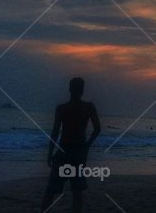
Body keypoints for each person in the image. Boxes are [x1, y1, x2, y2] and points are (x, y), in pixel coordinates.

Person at [41, 77, 102, 213]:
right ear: (82, 91)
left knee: (51, 190)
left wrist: (50, 153)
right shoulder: (88, 107)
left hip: (63, 151)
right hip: (79, 152)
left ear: (69, 89)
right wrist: (87, 146)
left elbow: (55, 132)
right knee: (77, 192)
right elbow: (97, 129)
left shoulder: (62, 108)